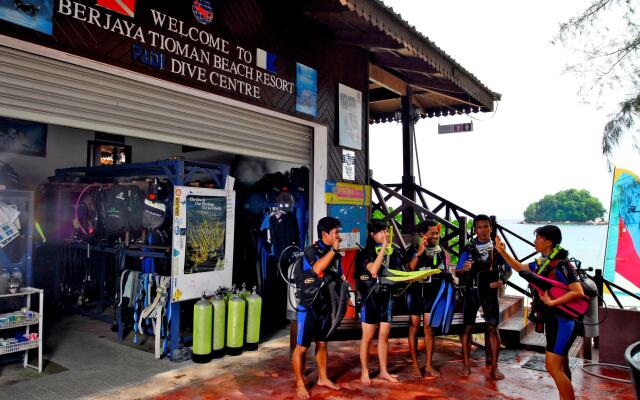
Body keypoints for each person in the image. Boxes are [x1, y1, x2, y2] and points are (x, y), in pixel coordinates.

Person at [495, 225, 584, 400]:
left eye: (538, 238)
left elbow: (578, 291)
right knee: (561, 367)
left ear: (549, 241)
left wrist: (553, 302)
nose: (535, 241)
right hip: (553, 321)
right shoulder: (543, 262)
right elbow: (520, 267)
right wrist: (503, 252)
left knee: (552, 367)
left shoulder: (562, 265)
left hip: (563, 322)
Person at [292, 216, 344, 400]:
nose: (339, 236)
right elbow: (317, 269)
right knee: (302, 347)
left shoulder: (334, 251)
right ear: (325, 234)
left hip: (325, 307)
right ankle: (300, 382)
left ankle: (323, 378)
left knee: (322, 344)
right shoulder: (310, 251)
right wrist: (333, 251)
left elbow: (338, 277)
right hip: (309, 307)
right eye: (336, 232)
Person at [457, 214, 507, 380]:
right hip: (471, 291)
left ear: (491, 229)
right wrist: (464, 268)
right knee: (468, 328)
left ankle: (494, 366)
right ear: (475, 229)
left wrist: (502, 280)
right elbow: (457, 270)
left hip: (490, 292)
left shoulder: (497, 248)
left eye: (486, 227)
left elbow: (508, 269)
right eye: (479, 227)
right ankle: (466, 364)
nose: (483, 230)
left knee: (493, 327)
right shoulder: (468, 249)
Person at [356, 219, 405, 385]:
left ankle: (384, 371)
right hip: (370, 299)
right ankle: (365, 371)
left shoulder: (393, 253)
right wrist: (384, 247)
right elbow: (374, 270)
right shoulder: (365, 253)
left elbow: (398, 273)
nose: (386, 234)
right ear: (372, 234)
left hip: (387, 298)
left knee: (384, 336)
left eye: (386, 231)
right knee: (368, 337)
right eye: (382, 231)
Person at [405, 219, 449, 378]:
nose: (436, 236)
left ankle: (429, 365)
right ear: (423, 235)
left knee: (429, 329)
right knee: (414, 326)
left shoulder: (440, 251)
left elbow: (444, 270)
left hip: (432, 294)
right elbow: (409, 268)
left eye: (437, 233)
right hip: (415, 293)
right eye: (433, 233)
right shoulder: (413, 249)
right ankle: (415, 365)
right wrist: (419, 253)